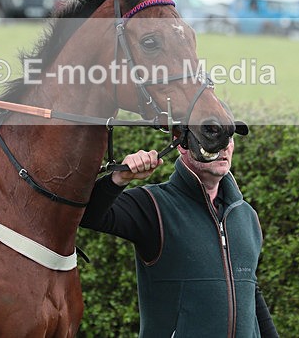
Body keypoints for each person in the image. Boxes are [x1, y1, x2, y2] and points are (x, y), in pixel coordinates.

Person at [80, 105, 279, 337]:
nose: (225, 145)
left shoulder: (246, 215)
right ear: (181, 142)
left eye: (229, 135)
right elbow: (88, 215)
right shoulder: (152, 205)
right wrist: (118, 179)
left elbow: (251, 291)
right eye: (211, 133)